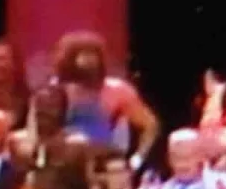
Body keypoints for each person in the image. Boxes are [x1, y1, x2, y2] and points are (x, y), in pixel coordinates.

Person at [51, 32, 159, 166]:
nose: (89, 60)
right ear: (68, 59)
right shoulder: (54, 91)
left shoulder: (117, 90)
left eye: (93, 55)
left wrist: (137, 159)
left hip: (103, 163)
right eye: (83, 55)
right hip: (63, 164)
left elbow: (150, 125)